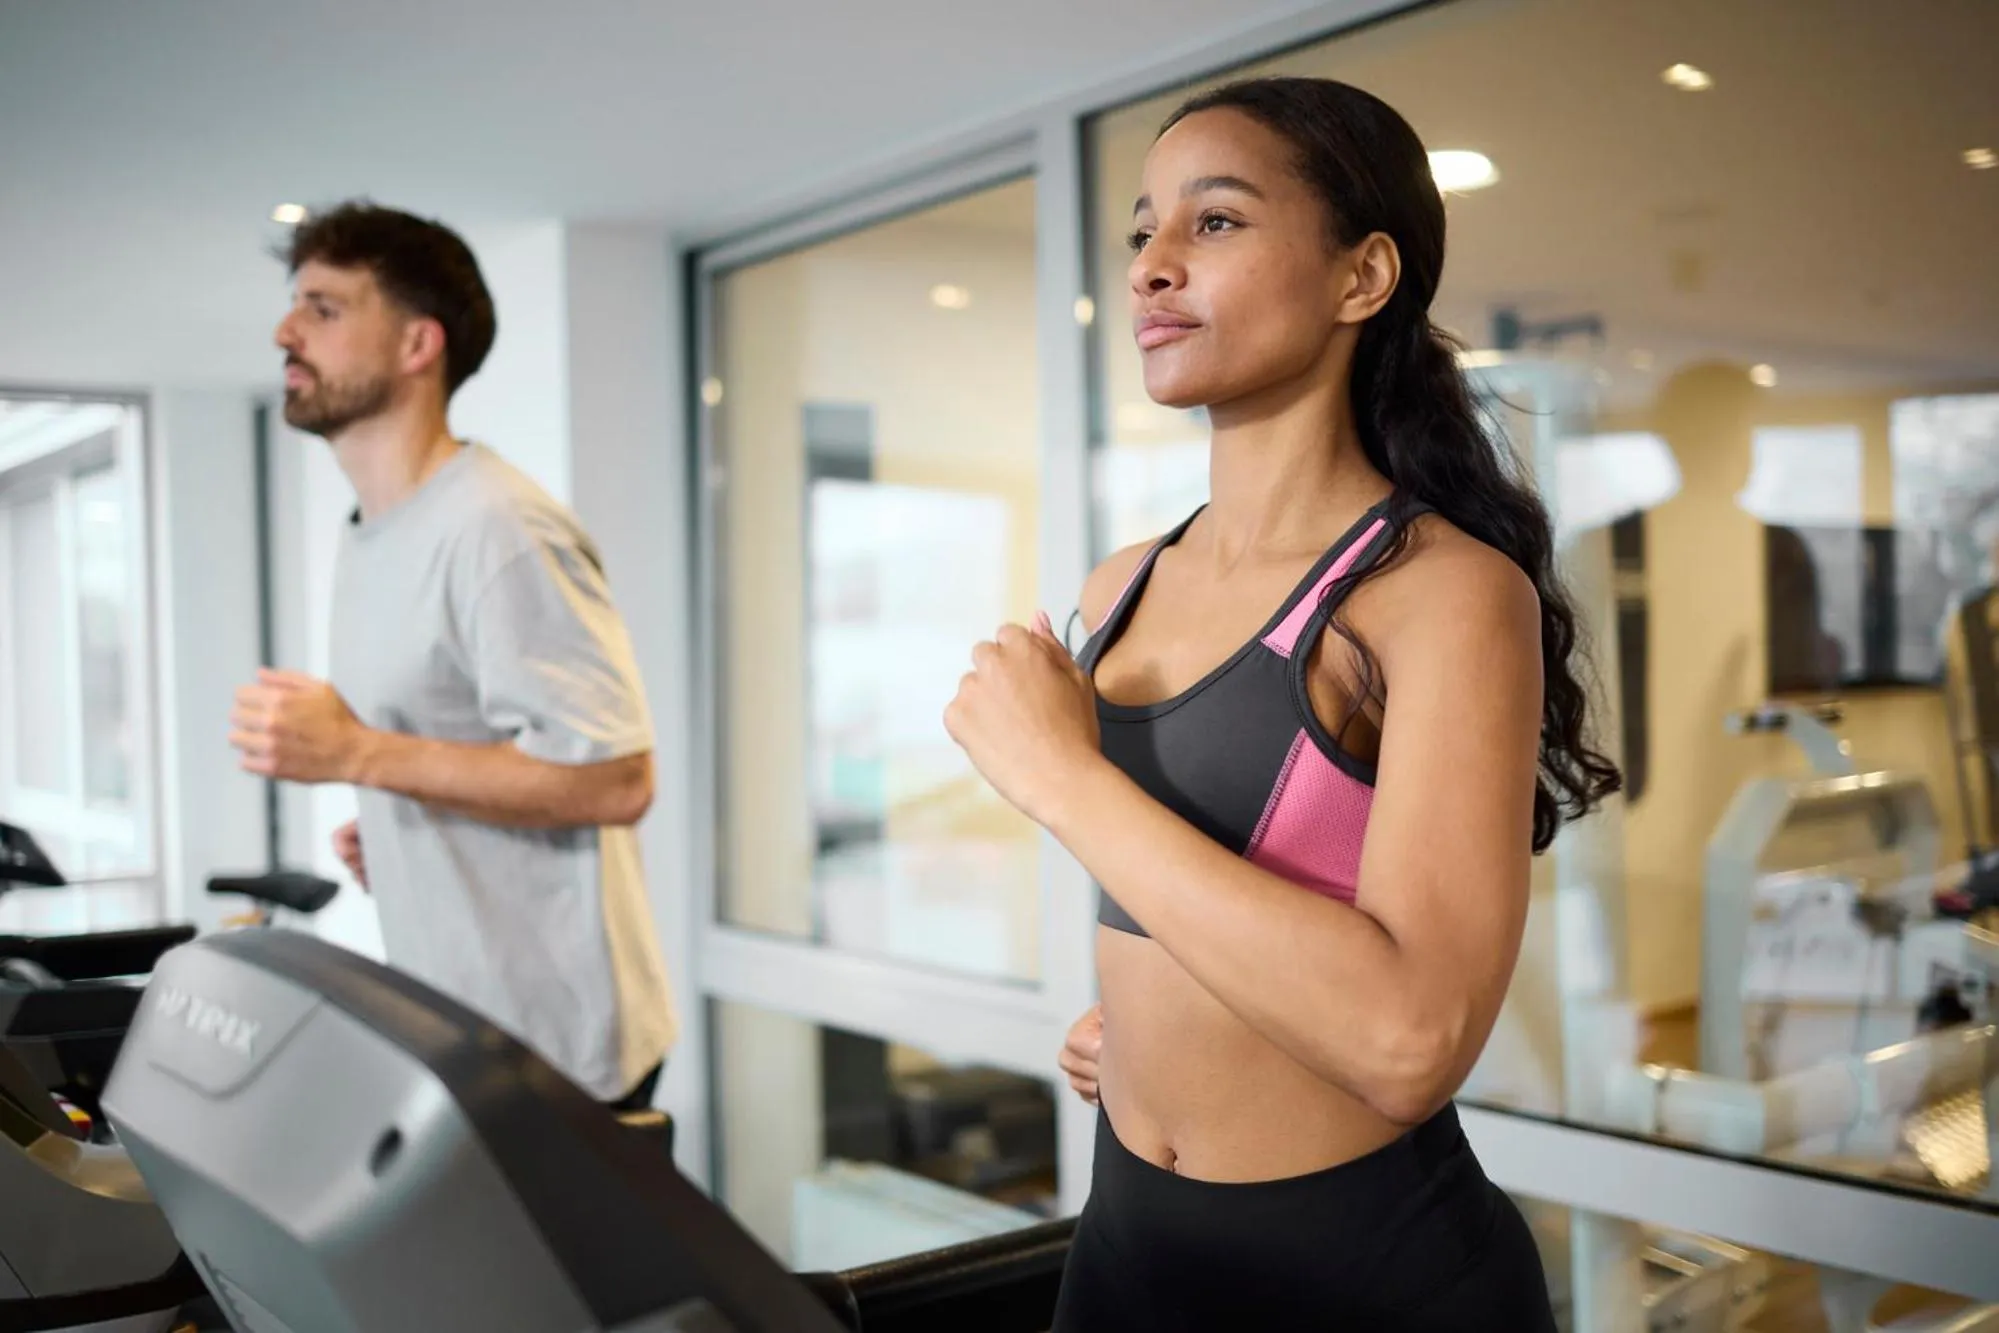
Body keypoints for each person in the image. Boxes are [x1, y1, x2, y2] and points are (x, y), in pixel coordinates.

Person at [944, 79, 1619, 1330]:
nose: (1150, 267)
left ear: (1363, 277)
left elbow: (1410, 1041)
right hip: (1126, 1245)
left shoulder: (1439, 596)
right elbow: (1192, 904)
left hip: (1361, 1276)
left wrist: (1063, 776)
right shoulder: (1123, 584)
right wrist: (1156, 1025)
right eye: (1141, 230)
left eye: (1214, 223)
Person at [228, 201, 676, 1112]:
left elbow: (617, 778)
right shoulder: (371, 533)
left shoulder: (496, 527)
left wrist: (359, 755)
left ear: (416, 344)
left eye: (323, 308)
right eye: (294, 306)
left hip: (557, 1056)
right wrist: (403, 822)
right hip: (463, 1029)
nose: (285, 331)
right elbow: (475, 742)